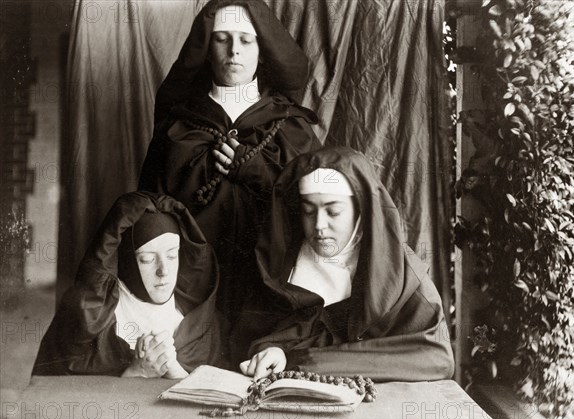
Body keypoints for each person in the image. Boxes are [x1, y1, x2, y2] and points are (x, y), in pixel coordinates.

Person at [138, 0, 321, 353]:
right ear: (207, 48)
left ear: (262, 51)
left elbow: (314, 211)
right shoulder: (177, 128)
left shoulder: (291, 126)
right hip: (189, 298)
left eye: (245, 40)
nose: (234, 50)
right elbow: (150, 214)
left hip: (270, 295)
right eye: (222, 38)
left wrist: (257, 171)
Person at [239, 147, 455, 381]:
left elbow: (437, 358)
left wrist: (306, 362)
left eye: (333, 211)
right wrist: (272, 350)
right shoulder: (283, 266)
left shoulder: (402, 273)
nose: (319, 225)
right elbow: (259, 333)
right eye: (308, 211)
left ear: (361, 211)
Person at [32, 192, 227, 377]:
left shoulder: (205, 325)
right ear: (127, 263)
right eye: (147, 259)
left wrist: (175, 372)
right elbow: (52, 393)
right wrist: (136, 373)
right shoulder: (85, 321)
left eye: (171, 255)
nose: (164, 271)